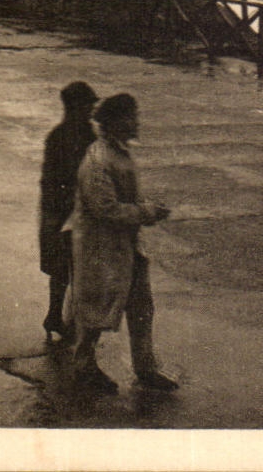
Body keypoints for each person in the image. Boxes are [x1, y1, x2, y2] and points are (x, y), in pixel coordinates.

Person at [63, 93, 177, 394]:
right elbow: (105, 209)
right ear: (115, 122)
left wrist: (144, 208)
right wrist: (148, 212)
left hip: (123, 246)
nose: (137, 122)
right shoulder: (98, 159)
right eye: (131, 117)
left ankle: (146, 368)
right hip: (100, 247)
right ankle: (83, 367)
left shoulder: (118, 153)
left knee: (141, 307)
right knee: (95, 309)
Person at [39, 81, 99, 342]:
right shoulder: (61, 137)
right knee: (66, 268)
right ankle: (61, 317)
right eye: (87, 105)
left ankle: (58, 317)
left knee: (71, 269)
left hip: (74, 210)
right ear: (74, 107)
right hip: (63, 212)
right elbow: (51, 179)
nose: (91, 109)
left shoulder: (86, 134)